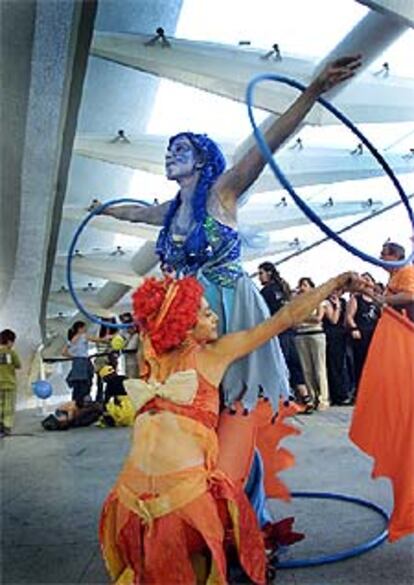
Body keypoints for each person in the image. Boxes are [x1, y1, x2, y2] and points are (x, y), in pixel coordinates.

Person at [91, 55, 361, 519]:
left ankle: (243, 513)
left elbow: (268, 140)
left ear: (202, 158)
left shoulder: (224, 192)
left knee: (234, 411)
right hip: (186, 319)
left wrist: (313, 91)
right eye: (168, 151)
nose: (170, 156)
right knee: (195, 413)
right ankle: (220, 506)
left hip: (230, 309)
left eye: (180, 150)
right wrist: (103, 210)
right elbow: (133, 212)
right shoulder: (170, 208)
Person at [100, 271, 365, 584]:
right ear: (183, 323)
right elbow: (286, 317)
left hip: (127, 509)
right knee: (236, 442)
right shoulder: (213, 354)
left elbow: (153, 320)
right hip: (184, 509)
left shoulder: (151, 355)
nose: (214, 316)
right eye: (204, 311)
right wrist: (335, 283)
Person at [258, 261, 312, 411]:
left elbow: (261, 314)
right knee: (294, 365)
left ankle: (284, 400)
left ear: (268, 273)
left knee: (278, 365)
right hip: (289, 331)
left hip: (277, 332)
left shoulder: (266, 292)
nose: (259, 277)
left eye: (261, 273)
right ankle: (306, 398)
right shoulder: (284, 289)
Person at [294, 277, 330, 410]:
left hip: (316, 334)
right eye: (300, 285)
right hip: (301, 334)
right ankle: (312, 396)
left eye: (305, 285)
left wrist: (303, 317)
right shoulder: (298, 302)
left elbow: (318, 318)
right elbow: (294, 319)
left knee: (319, 367)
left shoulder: (318, 301)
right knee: (306, 368)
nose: (302, 288)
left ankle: (323, 398)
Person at [346, 272, 381, 393]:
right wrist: (354, 328)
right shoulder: (356, 298)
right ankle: (360, 390)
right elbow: (349, 316)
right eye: (363, 280)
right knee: (361, 362)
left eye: (368, 280)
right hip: (361, 333)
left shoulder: (377, 300)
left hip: (375, 333)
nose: (366, 282)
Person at [323, 291, 353, 405]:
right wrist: (337, 307)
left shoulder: (344, 301)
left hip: (341, 336)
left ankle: (341, 393)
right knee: (334, 366)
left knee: (341, 366)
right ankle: (338, 395)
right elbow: (334, 320)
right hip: (332, 335)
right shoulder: (328, 303)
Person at [63, 321, 97, 407]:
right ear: (80, 329)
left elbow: (64, 352)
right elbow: (97, 340)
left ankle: (75, 406)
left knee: (77, 387)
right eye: (84, 327)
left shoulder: (72, 339)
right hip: (83, 363)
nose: (86, 329)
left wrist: (75, 357)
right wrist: (108, 339)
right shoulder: (83, 336)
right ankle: (83, 406)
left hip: (76, 363)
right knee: (85, 385)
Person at [378, 241, 414, 322]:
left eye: (383, 254)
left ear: (395, 256)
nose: (380, 258)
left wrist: (385, 299)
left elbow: (410, 295)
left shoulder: (407, 270)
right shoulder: (394, 275)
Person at [0, 329, 21, 437]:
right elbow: (18, 365)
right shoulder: (11, 353)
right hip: (9, 384)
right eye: (13, 342)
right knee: (9, 407)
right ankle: (6, 428)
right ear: (9, 341)